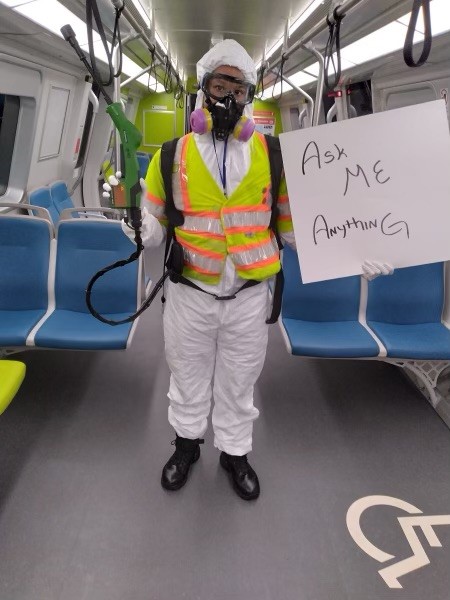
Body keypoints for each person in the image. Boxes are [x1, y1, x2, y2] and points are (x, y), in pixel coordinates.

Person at [105, 39, 393, 501]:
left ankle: (235, 454)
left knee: (240, 381)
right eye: (221, 85)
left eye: (239, 90)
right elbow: (156, 228)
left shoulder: (274, 155)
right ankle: (186, 445)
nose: (229, 98)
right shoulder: (171, 154)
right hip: (189, 293)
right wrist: (137, 226)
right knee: (186, 375)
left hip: (248, 295)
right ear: (203, 90)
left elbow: (299, 228)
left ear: (249, 97)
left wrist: (355, 254)